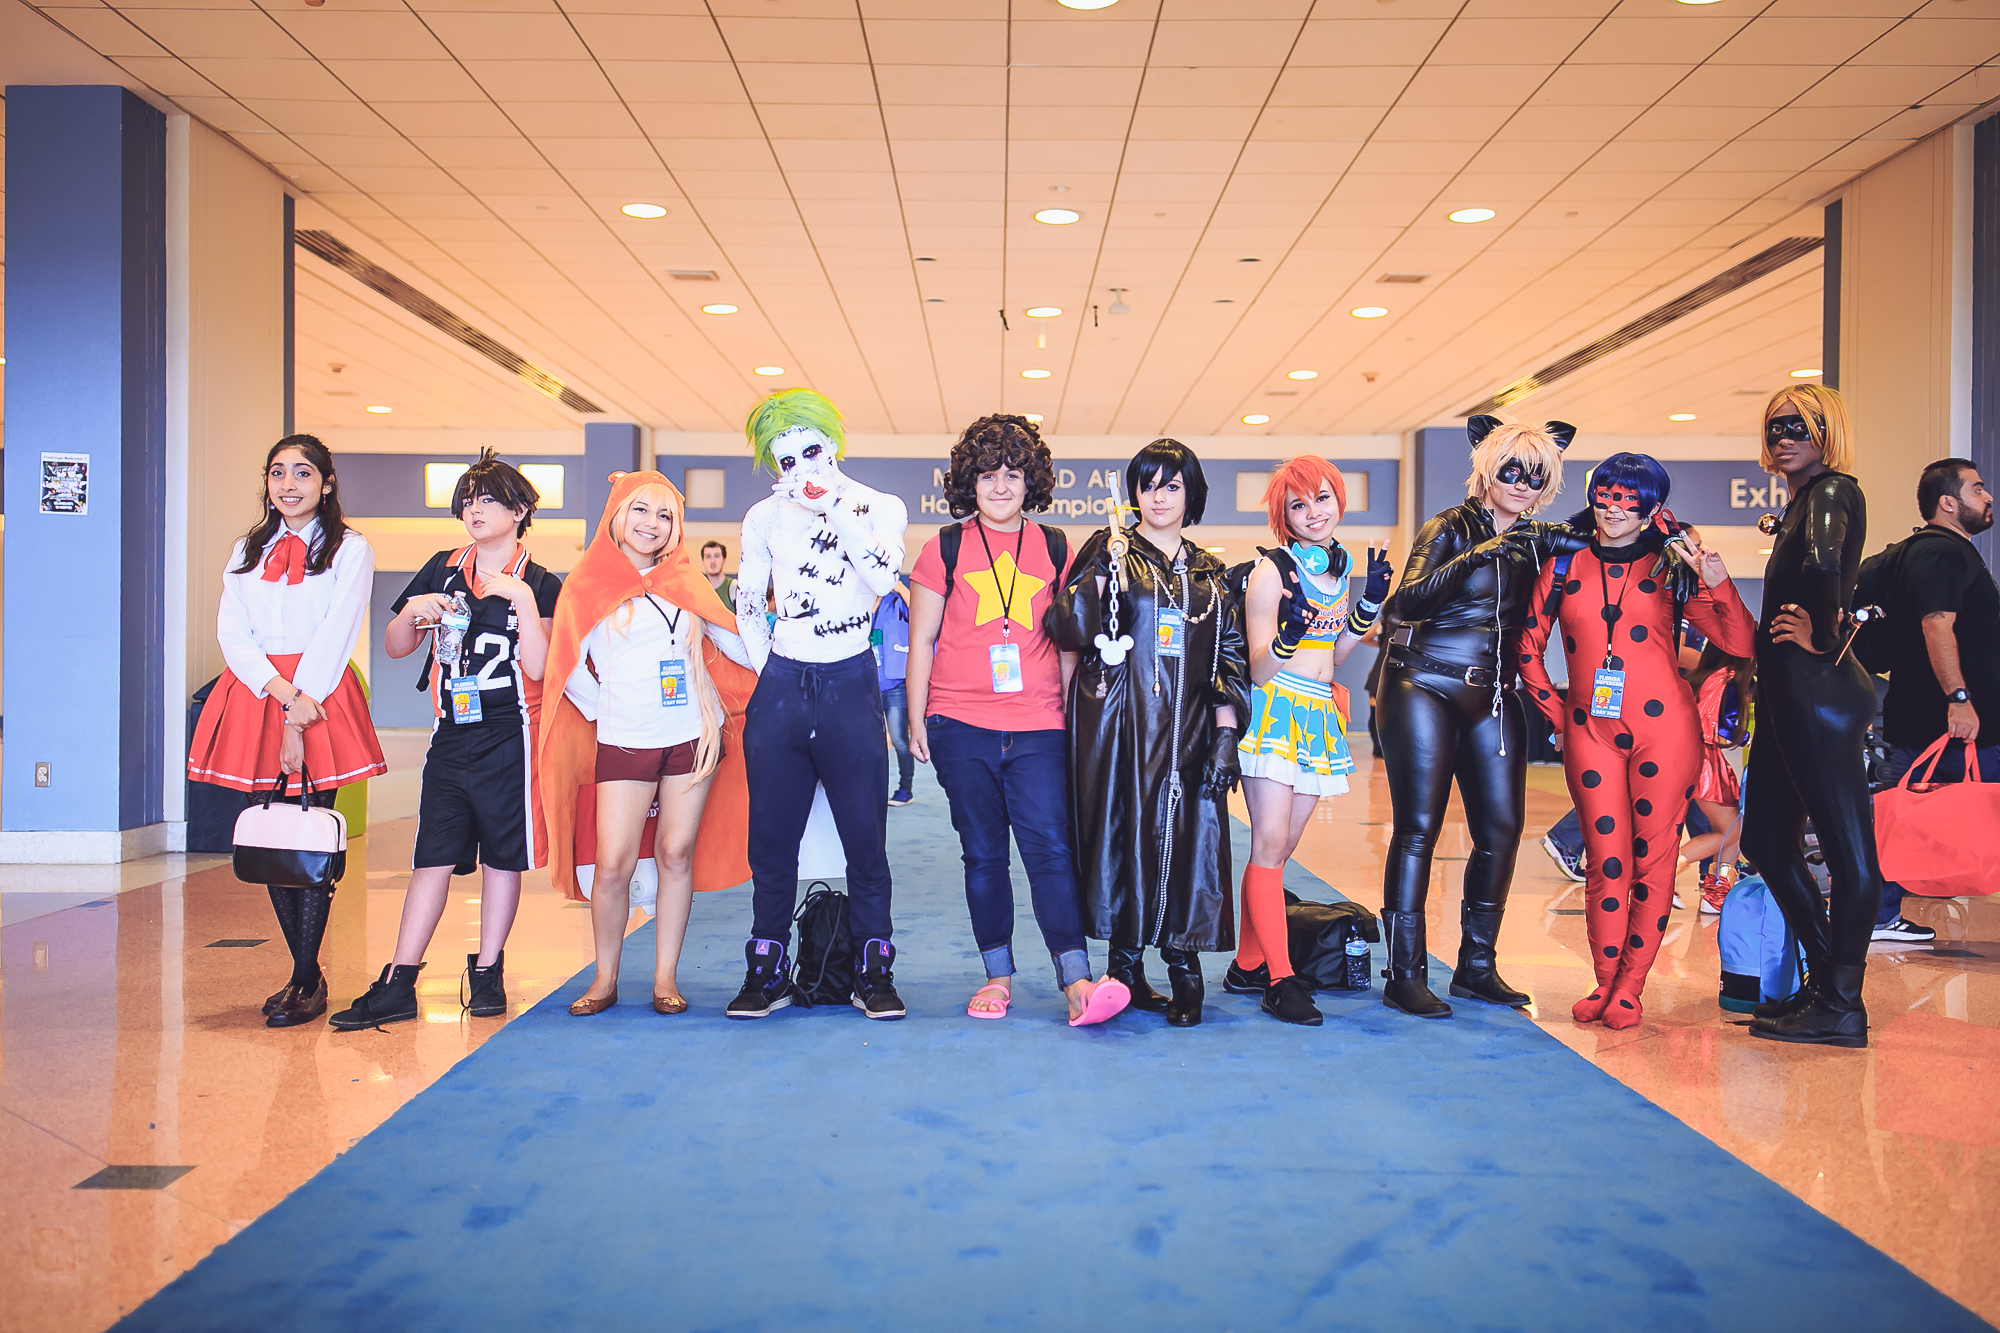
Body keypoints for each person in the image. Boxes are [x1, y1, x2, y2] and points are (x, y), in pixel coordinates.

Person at [906, 414, 1130, 1027]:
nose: (1000, 486)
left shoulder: (1056, 546)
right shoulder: (942, 548)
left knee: (1051, 851)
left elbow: (1065, 644)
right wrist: (919, 716)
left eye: (1012, 474)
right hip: (959, 720)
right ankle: (997, 977)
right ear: (966, 484)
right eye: (987, 475)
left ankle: (1076, 982)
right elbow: (922, 640)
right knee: (982, 855)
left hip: (1037, 724)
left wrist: (1069, 719)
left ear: (1030, 481)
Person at [1517, 453, 1755, 1028]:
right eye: (1606, 494)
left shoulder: (1671, 568)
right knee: (1605, 860)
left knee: (1655, 861)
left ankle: (1630, 985)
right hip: (1588, 733)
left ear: (1651, 509)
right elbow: (1526, 650)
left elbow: (1740, 642)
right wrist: (1559, 715)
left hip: (1665, 732)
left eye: (1629, 499)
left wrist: (1717, 582)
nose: (1614, 508)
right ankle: (1602, 981)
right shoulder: (1563, 565)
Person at [329, 452, 562, 1031]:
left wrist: (525, 603)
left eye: (487, 500)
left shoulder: (542, 582)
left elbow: (539, 666)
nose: (474, 510)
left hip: (512, 735)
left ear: (520, 510)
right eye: (467, 501)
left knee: (502, 861)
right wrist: (411, 610)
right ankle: (400, 981)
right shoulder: (442, 567)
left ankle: (488, 974)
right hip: (450, 734)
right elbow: (395, 645)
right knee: (431, 855)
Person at [1376, 416, 1586, 1018]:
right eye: (1512, 471)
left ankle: (1476, 967)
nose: (1522, 484)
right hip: (1424, 684)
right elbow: (1404, 605)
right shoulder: (1451, 525)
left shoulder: (1538, 536)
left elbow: (1606, 542)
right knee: (1419, 828)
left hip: (1493, 693)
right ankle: (1405, 973)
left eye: (1536, 474)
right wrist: (1481, 553)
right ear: (1489, 470)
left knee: (1500, 830)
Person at [537, 471, 758, 1015]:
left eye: (664, 515)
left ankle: (665, 980)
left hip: (691, 738)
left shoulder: (687, 583)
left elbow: (737, 644)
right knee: (613, 862)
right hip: (623, 740)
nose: (652, 524)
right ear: (617, 513)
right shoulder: (588, 583)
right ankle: (603, 980)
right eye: (641, 510)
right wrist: (605, 706)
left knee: (675, 855)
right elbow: (567, 666)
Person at [187, 436, 387, 1028]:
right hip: (257, 693)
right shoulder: (246, 550)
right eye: (278, 473)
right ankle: (307, 974)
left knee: (308, 835)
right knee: (274, 836)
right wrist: (279, 695)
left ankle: (304, 977)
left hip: (319, 693)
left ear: (326, 483)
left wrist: (303, 703)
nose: (289, 484)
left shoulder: (350, 549)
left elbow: (338, 628)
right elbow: (232, 632)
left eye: (303, 473)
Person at [725, 388, 911, 1020]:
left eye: (810, 450)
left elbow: (884, 579)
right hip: (781, 685)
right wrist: (769, 668)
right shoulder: (762, 517)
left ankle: (873, 967)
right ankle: (767, 966)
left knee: (867, 838)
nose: (800, 468)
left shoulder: (880, 505)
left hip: (850, 681)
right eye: (786, 461)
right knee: (771, 840)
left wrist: (833, 506)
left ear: (832, 442)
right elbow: (747, 600)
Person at [1049, 440, 1248, 1028]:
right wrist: (1099, 575)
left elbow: (1229, 658)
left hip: (1190, 732)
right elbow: (1067, 628)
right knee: (1124, 834)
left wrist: (1226, 735)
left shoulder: (1211, 575)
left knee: (1191, 839)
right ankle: (1126, 965)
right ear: (1133, 494)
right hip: (1120, 731)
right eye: (1148, 485)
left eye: (1172, 485)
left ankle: (1184, 966)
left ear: (1191, 495)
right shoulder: (1112, 551)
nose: (1158, 497)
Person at [1739, 384, 1886, 1047]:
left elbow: (1828, 564)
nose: (1786, 435)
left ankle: (1841, 1003)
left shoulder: (1832, 492)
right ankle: (1829, 979)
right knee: (1768, 838)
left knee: (1849, 847)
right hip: (1790, 691)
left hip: (1817, 690)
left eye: (1801, 424)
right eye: (1776, 425)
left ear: (1828, 432)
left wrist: (1821, 639)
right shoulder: (1800, 500)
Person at [1224, 456, 1392, 1025]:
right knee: (1269, 846)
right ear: (1283, 515)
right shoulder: (1270, 572)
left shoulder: (1337, 571)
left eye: (1322, 498)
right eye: (1299, 504)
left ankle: (1248, 962)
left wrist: (1366, 609)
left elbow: (1336, 656)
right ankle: (1280, 979)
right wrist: (1289, 639)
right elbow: (1260, 668)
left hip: (1318, 713)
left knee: (1279, 851)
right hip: (1274, 712)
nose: (1314, 512)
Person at [1873, 458, 1998, 943]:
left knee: (1907, 815)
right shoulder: (1941, 553)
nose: (1988, 498)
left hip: (1931, 720)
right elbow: (1935, 622)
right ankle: (1877, 914)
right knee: (1906, 815)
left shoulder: (1936, 552)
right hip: (1948, 721)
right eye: (1978, 489)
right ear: (1949, 503)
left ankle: (1879, 914)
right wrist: (1959, 698)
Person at [1679, 642, 1755, 914]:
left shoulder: (1702, 677)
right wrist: (1748, 738)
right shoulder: (1731, 679)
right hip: (1707, 760)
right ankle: (1664, 872)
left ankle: (1716, 895)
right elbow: (1723, 725)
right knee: (1731, 830)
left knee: (1732, 829)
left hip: (1690, 755)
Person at [873, 573, 916, 806]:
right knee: (872, 741)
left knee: (899, 739)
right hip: (868, 681)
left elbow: (917, 611)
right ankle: (874, 789)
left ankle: (905, 789)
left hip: (896, 683)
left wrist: (898, 587)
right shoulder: (872, 599)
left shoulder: (901, 600)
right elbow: (861, 619)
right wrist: (878, 595)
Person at [701, 539, 736, 608]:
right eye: (708, 556)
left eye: (717, 556)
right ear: (702, 561)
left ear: (724, 560)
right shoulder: (699, 591)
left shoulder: (734, 588)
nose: (712, 561)